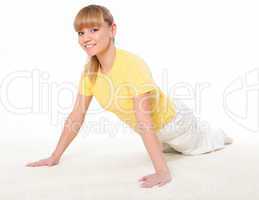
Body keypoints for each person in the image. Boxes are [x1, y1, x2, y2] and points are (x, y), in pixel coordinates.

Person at [26, 4, 233, 188]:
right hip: (155, 130)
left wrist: (162, 171)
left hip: (174, 123)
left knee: (201, 144)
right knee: (169, 150)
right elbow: (76, 116)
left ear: (112, 29)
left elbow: (145, 122)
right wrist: (55, 157)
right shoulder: (90, 72)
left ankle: (217, 134)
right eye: (80, 33)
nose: (85, 38)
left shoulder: (131, 65)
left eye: (94, 30)